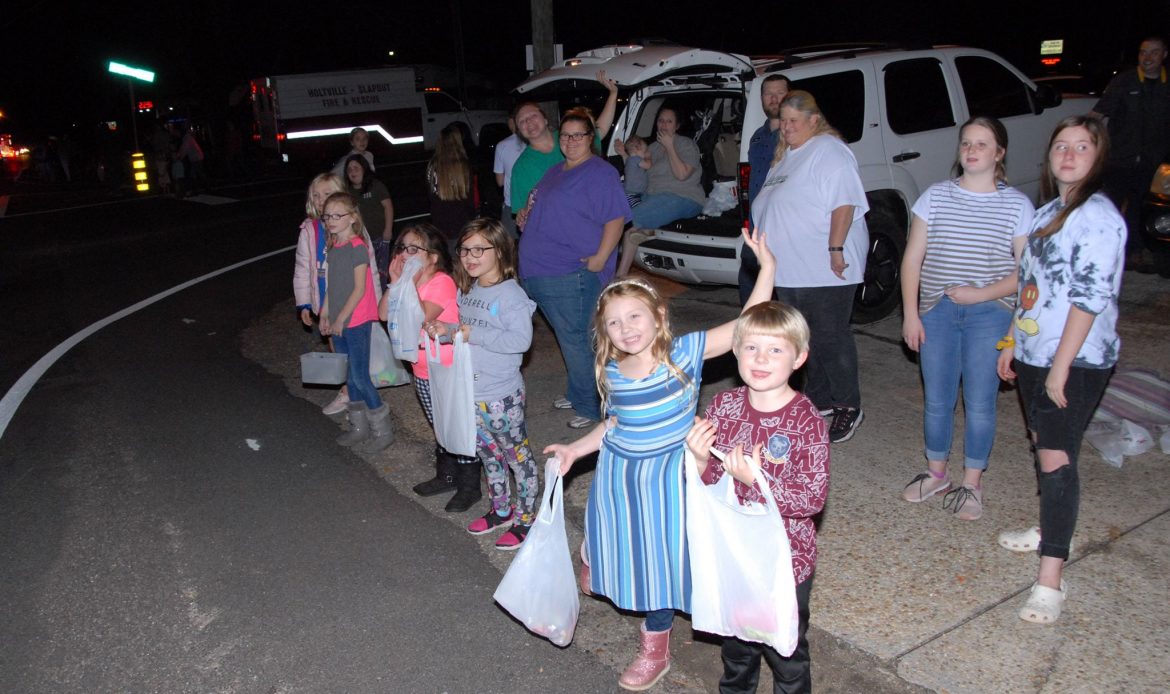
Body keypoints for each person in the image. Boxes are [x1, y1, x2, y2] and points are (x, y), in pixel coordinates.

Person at [544, 229, 776, 692]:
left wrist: (767, 268)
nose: (626, 328)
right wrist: (575, 449)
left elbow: (746, 327)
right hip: (620, 476)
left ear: (659, 315)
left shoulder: (682, 355)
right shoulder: (612, 369)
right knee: (612, 532)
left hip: (669, 480)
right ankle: (597, 557)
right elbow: (614, 425)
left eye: (635, 316)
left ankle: (656, 646)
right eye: (614, 322)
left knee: (660, 561)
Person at [996, 116, 1125, 624]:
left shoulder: (1097, 217)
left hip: (1076, 359)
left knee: (1055, 459)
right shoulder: (1049, 211)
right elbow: (1030, 286)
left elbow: (1089, 299)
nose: (1069, 155)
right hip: (1034, 352)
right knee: (1045, 444)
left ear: (1098, 156)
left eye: (1082, 147)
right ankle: (1052, 527)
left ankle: (1051, 579)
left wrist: (1060, 369)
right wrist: (1012, 341)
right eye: (1061, 146)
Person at [685, 301, 828, 694]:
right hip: (735, 552)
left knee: (786, 651)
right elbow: (713, 480)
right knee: (737, 643)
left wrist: (757, 481)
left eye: (775, 349)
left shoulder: (807, 421)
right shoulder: (724, 406)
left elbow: (812, 497)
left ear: (799, 358)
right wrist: (700, 460)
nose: (761, 358)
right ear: (735, 351)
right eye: (751, 347)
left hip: (786, 558)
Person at [898, 116, 1035, 521]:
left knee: (980, 402)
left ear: (999, 153)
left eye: (982, 143)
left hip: (990, 314)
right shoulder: (935, 197)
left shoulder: (1017, 205)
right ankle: (936, 473)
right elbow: (912, 259)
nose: (972, 150)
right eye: (966, 143)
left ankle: (972, 483)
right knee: (937, 399)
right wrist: (910, 314)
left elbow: (1026, 274)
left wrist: (980, 295)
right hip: (936, 311)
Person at [753, 90, 869, 444]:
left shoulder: (828, 150)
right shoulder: (785, 157)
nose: (786, 127)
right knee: (804, 339)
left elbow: (845, 203)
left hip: (823, 267)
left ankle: (848, 404)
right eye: (783, 121)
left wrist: (835, 248)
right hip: (790, 269)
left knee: (830, 336)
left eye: (794, 121)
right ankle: (819, 402)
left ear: (814, 120)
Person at [426, 219, 538, 548]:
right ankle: (501, 510)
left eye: (479, 249)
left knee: (518, 458)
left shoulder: (511, 295)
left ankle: (527, 519)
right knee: (489, 456)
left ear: (500, 251)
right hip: (471, 393)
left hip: (501, 395)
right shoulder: (471, 290)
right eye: (464, 250)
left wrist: (475, 334)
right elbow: (465, 331)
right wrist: (446, 331)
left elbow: (520, 340)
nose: (469, 257)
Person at [518, 108, 631, 429]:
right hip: (541, 270)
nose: (570, 141)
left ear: (590, 138)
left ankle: (592, 406)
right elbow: (544, 207)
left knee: (578, 340)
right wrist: (526, 214)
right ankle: (579, 391)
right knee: (570, 339)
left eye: (577, 135)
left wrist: (601, 257)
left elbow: (615, 218)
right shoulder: (556, 170)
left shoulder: (599, 172)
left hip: (569, 273)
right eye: (565, 135)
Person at [379, 222, 475, 509]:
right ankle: (447, 475)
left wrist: (405, 284)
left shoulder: (441, 282)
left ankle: (469, 486)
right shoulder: (407, 285)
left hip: (446, 369)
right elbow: (383, 313)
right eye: (402, 248)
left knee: (455, 426)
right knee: (439, 426)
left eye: (414, 249)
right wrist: (395, 282)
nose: (405, 254)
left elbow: (418, 315)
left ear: (433, 257)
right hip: (422, 369)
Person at [318, 192, 395, 452]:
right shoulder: (333, 247)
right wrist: (325, 314)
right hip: (339, 320)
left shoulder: (357, 247)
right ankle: (359, 427)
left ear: (352, 218)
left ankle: (383, 430)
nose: (331, 220)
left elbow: (360, 289)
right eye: (327, 216)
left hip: (356, 320)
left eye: (337, 215)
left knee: (360, 377)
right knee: (348, 377)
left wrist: (341, 318)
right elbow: (332, 287)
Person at [1090, 36, 1170, 271]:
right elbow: (1098, 115)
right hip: (1119, 159)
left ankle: (1134, 251)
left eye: (1154, 52)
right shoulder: (1124, 81)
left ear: (1164, 55)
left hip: (1152, 162)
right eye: (1143, 52)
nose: (1148, 57)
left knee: (1140, 207)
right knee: (1110, 206)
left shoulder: (1167, 84)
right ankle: (1104, 251)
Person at [510, 70, 620, 219]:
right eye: (522, 121)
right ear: (518, 130)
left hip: (592, 212)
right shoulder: (521, 167)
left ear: (545, 119)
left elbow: (600, 130)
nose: (528, 122)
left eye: (533, 116)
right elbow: (523, 211)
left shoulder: (569, 137)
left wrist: (613, 94)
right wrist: (522, 214)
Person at [614, 106, 707, 275]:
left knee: (630, 219)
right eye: (660, 121)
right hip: (652, 196)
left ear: (677, 126)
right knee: (615, 212)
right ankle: (647, 232)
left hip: (683, 196)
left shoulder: (686, 144)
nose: (664, 125)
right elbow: (638, 172)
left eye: (669, 121)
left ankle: (619, 276)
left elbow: (682, 175)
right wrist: (624, 155)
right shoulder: (652, 148)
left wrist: (670, 147)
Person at [294, 172, 356, 416]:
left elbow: (368, 265)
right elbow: (302, 268)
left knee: (356, 349)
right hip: (325, 302)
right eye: (316, 195)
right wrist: (304, 303)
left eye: (327, 194)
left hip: (352, 300)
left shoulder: (352, 226)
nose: (321, 200)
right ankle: (347, 391)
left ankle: (358, 391)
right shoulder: (309, 231)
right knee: (336, 347)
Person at [740, 74, 791, 305]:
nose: (773, 98)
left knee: (785, 297)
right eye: (768, 93)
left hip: (783, 227)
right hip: (756, 229)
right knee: (750, 294)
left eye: (779, 93)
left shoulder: (794, 137)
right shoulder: (757, 137)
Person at [344, 154, 395, 285]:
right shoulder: (347, 192)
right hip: (360, 240)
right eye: (349, 169)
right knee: (365, 273)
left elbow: (388, 207)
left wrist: (388, 230)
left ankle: (381, 295)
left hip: (379, 238)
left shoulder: (375, 186)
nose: (353, 172)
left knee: (381, 272)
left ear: (364, 169)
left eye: (356, 168)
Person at [427, 125, 477, 251]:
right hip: (461, 222)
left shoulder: (432, 166)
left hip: (440, 223)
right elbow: (470, 199)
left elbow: (431, 196)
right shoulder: (464, 165)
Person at [493, 114, 525, 239]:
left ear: (511, 123)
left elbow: (500, 181)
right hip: (536, 203)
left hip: (513, 204)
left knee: (509, 242)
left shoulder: (502, 145)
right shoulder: (535, 143)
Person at [621, 134, 652, 207]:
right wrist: (648, 157)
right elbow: (648, 166)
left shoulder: (629, 160)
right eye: (645, 151)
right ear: (637, 148)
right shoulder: (636, 159)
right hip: (632, 193)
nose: (645, 153)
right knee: (638, 208)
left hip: (631, 192)